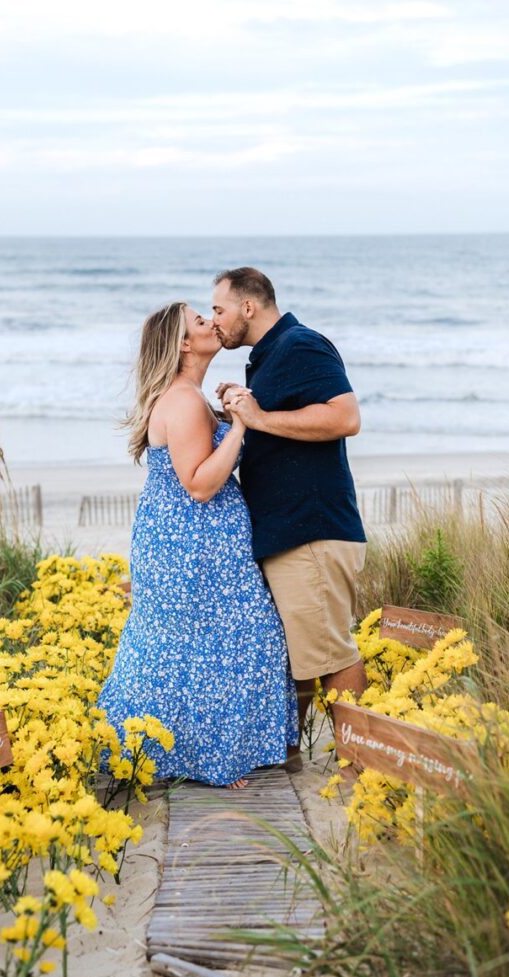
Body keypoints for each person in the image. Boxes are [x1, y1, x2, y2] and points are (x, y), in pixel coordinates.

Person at [97, 301, 298, 789]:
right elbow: (200, 484)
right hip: (190, 544)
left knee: (191, 645)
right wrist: (244, 426)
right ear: (185, 344)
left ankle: (188, 753)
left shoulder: (190, 396)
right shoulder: (184, 401)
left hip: (188, 542)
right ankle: (210, 759)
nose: (212, 322)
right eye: (200, 321)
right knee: (231, 639)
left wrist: (228, 412)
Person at [212, 267, 367, 772]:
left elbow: (345, 418)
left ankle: (361, 774)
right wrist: (241, 416)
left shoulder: (300, 344)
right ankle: (287, 752)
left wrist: (258, 418)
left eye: (219, 310)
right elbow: (276, 431)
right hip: (289, 534)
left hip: (312, 532)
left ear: (248, 307)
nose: (215, 322)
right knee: (298, 657)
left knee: (331, 657)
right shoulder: (267, 359)